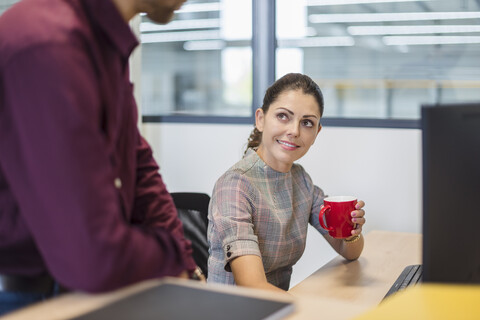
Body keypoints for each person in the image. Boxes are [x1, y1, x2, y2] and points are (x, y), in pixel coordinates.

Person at [0, 0, 203, 316]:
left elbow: (137, 162)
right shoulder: (50, 45)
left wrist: (186, 264)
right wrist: (171, 256)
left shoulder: (101, 42)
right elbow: (92, 258)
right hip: (23, 297)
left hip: (70, 288)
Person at [207, 73, 366, 292]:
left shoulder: (300, 180)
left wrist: (351, 233)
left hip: (278, 309)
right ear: (260, 119)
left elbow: (350, 251)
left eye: (307, 123)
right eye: (283, 116)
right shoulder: (235, 185)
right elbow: (253, 286)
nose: (294, 131)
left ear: (317, 132)